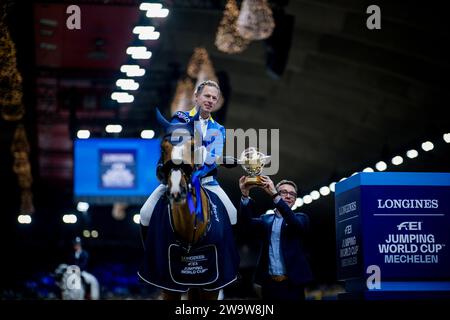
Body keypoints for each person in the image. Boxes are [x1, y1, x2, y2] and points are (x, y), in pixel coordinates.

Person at [140, 80, 237, 236]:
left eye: (214, 98)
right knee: (145, 214)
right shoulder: (179, 119)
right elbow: (173, 149)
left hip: (206, 182)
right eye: (207, 96)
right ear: (197, 96)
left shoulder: (218, 129)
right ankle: (150, 257)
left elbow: (211, 160)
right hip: (177, 178)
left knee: (233, 215)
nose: (210, 101)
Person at [239, 176, 313, 300]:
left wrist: (275, 195)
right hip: (269, 285)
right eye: (284, 192)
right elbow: (245, 224)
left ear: (295, 200)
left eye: (292, 194)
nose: (288, 196)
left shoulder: (301, 218)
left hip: (293, 284)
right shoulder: (265, 220)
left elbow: (294, 224)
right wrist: (245, 195)